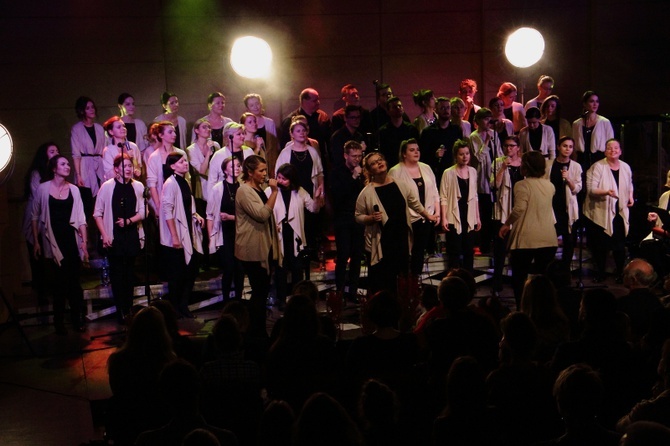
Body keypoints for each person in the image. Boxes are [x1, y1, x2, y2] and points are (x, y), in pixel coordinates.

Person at [355, 152, 438, 295]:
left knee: (401, 278)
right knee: (384, 281)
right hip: (382, 241)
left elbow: (414, 203)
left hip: (400, 239)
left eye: (380, 160)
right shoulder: (367, 192)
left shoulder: (400, 184)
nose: (379, 163)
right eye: (374, 163)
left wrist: (427, 215)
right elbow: (358, 216)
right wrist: (370, 219)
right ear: (369, 170)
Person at [31, 154, 88, 335]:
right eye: (63, 164)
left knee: (74, 282)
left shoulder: (74, 190)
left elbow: (81, 219)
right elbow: (35, 216)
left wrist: (84, 243)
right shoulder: (43, 189)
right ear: (54, 169)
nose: (67, 166)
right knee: (58, 283)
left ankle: (77, 318)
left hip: (71, 240)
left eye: (68, 164)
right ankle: (59, 322)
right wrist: (36, 242)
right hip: (53, 240)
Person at [106, 306, 176, 445]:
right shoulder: (169, 361)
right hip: (159, 422)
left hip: (128, 425)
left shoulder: (118, 360)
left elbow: (117, 392)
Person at [499, 151, 557, 308]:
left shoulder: (521, 185)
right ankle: (543, 309)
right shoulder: (550, 186)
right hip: (548, 238)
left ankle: (522, 309)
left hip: (526, 239)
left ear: (525, 167)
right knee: (543, 280)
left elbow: (519, 209)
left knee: (519, 278)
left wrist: (506, 224)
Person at [94, 154, 145, 324]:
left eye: (130, 166)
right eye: (125, 166)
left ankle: (129, 309)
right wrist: (105, 235)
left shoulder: (137, 186)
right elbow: (97, 213)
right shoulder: (107, 187)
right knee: (117, 275)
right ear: (116, 169)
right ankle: (120, 311)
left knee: (129, 273)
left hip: (131, 234)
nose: (129, 169)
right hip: (114, 235)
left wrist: (129, 220)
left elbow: (143, 212)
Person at [235, 155, 280, 337]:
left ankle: (258, 328)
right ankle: (256, 331)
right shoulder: (244, 191)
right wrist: (274, 193)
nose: (264, 174)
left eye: (265, 170)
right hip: (251, 248)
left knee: (262, 289)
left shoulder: (259, 189)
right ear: (250, 172)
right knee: (260, 289)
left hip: (264, 245)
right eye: (261, 171)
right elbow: (261, 214)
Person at [270, 163, 321, 307]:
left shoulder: (299, 191)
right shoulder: (271, 191)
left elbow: (313, 208)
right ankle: (281, 299)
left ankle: (298, 300)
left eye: (284, 179)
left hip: (294, 235)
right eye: (278, 177)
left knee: (297, 268)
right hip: (280, 234)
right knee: (280, 269)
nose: (280, 181)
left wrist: (317, 198)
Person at [583, 138, 634, 282]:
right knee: (601, 246)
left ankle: (620, 273)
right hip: (601, 212)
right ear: (605, 151)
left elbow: (630, 184)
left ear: (620, 151)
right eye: (610, 148)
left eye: (616, 148)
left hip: (619, 211)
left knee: (619, 245)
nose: (613, 151)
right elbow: (591, 190)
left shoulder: (625, 167)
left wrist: (630, 196)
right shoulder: (597, 167)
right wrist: (606, 192)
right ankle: (600, 273)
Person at [160, 152, 204, 318]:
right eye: (181, 162)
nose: (185, 164)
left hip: (188, 231)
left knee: (190, 271)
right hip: (176, 235)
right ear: (172, 166)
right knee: (177, 275)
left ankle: (184, 305)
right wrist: (174, 236)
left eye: (185, 161)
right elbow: (167, 210)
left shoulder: (185, 181)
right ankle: (175, 308)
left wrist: (196, 215)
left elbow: (188, 204)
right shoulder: (170, 183)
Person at [388, 138, 440, 275]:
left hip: (426, 218)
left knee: (419, 251)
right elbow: (392, 198)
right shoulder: (395, 171)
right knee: (404, 253)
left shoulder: (426, 168)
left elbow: (435, 191)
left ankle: (415, 282)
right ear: (404, 154)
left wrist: (437, 213)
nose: (416, 152)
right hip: (406, 220)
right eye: (412, 150)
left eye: (417, 149)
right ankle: (404, 282)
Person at [275, 120, 325, 250]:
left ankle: (310, 252)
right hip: (292, 191)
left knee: (310, 223)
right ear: (292, 134)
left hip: (309, 190)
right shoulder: (285, 153)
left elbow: (319, 172)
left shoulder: (312, 151)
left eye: (304, 130)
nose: (302, 133)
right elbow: (278, 175)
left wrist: (321, 191)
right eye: (298, 131)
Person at [22, 142, 60, 308]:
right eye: (52, 151)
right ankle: (41, 293)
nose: (56, 153)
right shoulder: (36, 174)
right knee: (38, 257)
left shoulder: (56, 173)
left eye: (57, 151)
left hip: (52, 217)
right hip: (37, 218)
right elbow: (39, 198)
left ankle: (54, 291)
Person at [330, 141, 366, 301]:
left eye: (359, 156)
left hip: (358, 218)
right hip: (342, 218)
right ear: (345, 155)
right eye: (354, 156)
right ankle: (339, 291)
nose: (357, 159)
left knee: (357, 255)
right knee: (343, 255)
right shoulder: (337, 172)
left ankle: (352, 292)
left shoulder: (362, 173)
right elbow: (338, 196)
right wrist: (353, 177)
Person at [207, 157, 244, 301]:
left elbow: (245, 215)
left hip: (240, 234)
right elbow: (210, 214)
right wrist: (211, 237)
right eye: (232, 166)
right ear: (224, 170)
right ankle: (226, 301)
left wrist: (230, 217)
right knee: (228, 269)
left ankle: (239, 299)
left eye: (238, 165)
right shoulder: (217, 188)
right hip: (225, 234)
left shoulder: (243, 187)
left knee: (240, 269)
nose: (236, 168)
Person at [440, 140, 480, 272]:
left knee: (469, 250)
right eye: (461, 154)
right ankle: (454, 281)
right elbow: (443, 197)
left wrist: (477, 217)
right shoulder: (448, 172)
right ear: (456, 156)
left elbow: (475, 196)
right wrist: (444, 218)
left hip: (469, 214)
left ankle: (468, 280)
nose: (465, 157)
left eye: (467, 153)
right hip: (454, 214)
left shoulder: (473, 171)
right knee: (454, 250)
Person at [491, 135, 524, 294]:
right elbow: (494, 185)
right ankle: (497, 283)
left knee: (518, 250)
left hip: (520, 209)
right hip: (503, 209)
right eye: (506, 146)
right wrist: (503, 168)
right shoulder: (498, 162)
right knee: (500, 249)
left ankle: (518, 281)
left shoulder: (524, 163)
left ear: (518, 147)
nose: (509, 148)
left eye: (512, 146)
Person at [545, 136, 582, 263]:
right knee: (550, 239)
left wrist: (568, 179)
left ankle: (566, 268)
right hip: (552, 206)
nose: (567, 149)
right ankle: (548, 267)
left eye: (570, 147)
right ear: (558, 147)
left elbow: (577, 188)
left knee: (569, 239)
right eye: (565, 146)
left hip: (568, 207)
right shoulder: (549, 164)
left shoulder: (576, 166)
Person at [470, 107, 502, 255]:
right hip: (482, 181)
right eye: (485, 119)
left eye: (489, 119)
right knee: (484, 214)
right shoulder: (473, 137)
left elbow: (500, 154)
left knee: (494, 214)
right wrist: (487, 141)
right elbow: (478, 158)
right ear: (477, 121)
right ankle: (483, 245)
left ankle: (494, 243)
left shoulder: (494, 134)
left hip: (494, 178)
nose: (488, 122)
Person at [71, 96, 105, 214]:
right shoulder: (77, 129)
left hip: (99, 166)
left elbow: (104, 150)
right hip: (85, 166)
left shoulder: (99, 128)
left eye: (92, 107)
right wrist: (78, 174)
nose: (92, 110)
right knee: (87, 204)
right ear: (82, 111)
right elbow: (76, 154)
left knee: (100, 202)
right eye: (88, 108)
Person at [146, 121, 187, 217]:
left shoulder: (181, 153)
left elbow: (186, 179)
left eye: (174, 132)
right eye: (170, 132)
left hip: (180, 197)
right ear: (161, 135)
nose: (174, 134)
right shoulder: (154, 157)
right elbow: (152, 184)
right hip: (164, 200)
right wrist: (158, 206)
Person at [279, 88, 331, 162]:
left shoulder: (323, 117)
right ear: (304, 101)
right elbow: (284, 145)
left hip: (319, 160)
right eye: (314, 100)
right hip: (298, 161)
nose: (318, 102)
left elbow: (329, 142)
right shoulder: (290, 120)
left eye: (318, 99)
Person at [572, 90, 615, 172]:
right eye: (592, 101)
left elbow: (611, 144)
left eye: (597, 101)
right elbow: (574, 146)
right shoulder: (576, 124)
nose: (595, 104)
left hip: (599, 159)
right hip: (582, 160)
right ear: (584, 104)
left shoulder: (605, 122)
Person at [209, 122, 254, 197]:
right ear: (229, 137)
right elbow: (212, 182)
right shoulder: (219, 155)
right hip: (226, 196)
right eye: (239, 134)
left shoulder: (249, 151)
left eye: (243, 133)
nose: (243, 136)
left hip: (247, 195)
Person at [419, 97, 458, 184]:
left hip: (454, 173)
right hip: (435, 174)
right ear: (436, 110)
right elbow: (422, 156)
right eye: (442, 108)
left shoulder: (456, 130)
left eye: (448, 107)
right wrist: (435, 155)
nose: (446, 110)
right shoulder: (428, 132)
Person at [378, 96, 420, 166]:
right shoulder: (383, 131)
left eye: (399, 106)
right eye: (394, 107)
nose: (398, 108)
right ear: (388, 111)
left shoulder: (411, 129)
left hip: (409, 165)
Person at [243, 93, 279, 173]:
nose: (256, 107)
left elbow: (274, 146)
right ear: (247, 108)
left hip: (269, 162)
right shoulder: (243, 124)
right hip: (252, 164)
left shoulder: (269, 122)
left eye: (257, 103)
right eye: (252, 105)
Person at [102, 116, 142, 181]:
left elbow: (138, 167)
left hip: (131, 184)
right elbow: (109, 175)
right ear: (111, 132)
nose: (123, 128)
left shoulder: (133, 146)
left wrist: (137, 171)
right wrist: (126, 155)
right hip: (116, 185)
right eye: (118, 127)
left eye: (124, 126)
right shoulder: (108, 150)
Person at [330, 104, 366, 169]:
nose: (356, 120)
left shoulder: (359, 136)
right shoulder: (337, 137)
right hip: (342, 173)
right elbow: (337, 160)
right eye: (353, 117)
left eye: (358, 117)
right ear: (345, 118)